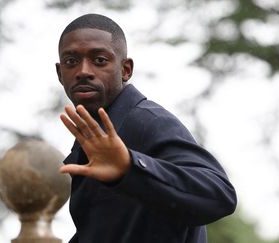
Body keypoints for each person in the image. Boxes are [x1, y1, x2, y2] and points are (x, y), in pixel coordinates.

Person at [55, 13, 237, 243]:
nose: (83, 71)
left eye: (99, 60)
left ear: (126, 70)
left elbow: (220, 194)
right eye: (71, 61)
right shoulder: (92, 140)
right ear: (60, 74)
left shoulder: (147, 121)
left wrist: (129, 166)